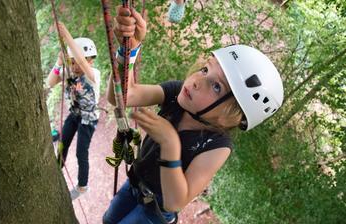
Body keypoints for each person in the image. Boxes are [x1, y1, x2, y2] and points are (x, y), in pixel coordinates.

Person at [103, 6, 284, 224]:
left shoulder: (217, 146)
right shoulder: (178, 93)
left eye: (216, 87)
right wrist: (129, 51)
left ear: (232, 117)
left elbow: (175, 202)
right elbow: (123, 96)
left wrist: (170, 144)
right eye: (206, 70)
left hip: (156, 211)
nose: (198, 80)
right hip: (134, 183)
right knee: (109, 220)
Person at [47, 22, 101, 200]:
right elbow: (50, 82)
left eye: (80, 62)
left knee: (81, 152)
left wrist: (67, 36)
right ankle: (56, 168)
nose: (76, 66)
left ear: (90, 61)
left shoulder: (94, 74)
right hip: (75, 113)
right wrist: (59, 62)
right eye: (73, 62)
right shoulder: (69, 71)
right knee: (63, 142)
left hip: (88, 118)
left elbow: (84, 66)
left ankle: (82, 186)